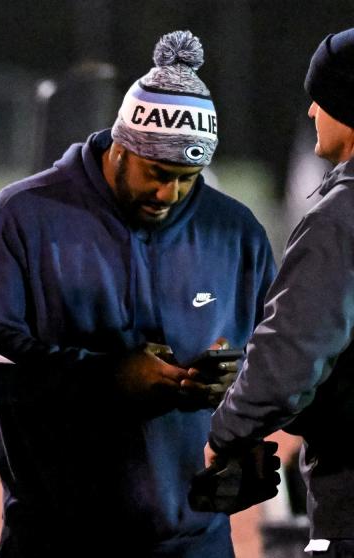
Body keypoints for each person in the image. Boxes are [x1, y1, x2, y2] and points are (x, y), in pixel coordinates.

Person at [0, 30, 276, 556]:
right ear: (122, 144)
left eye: (189, 178)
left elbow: (270, 359)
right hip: (56, 540)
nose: (170, 193)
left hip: (198, 541)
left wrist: (247, 433)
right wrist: (104, 375)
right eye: (158, 173)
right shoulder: (19, 218)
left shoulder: (235, 232)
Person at [208, 28, 354, 557]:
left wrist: (227, 431)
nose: (314, 110)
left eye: (324, 97)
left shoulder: (341, 218)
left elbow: (289, 356)